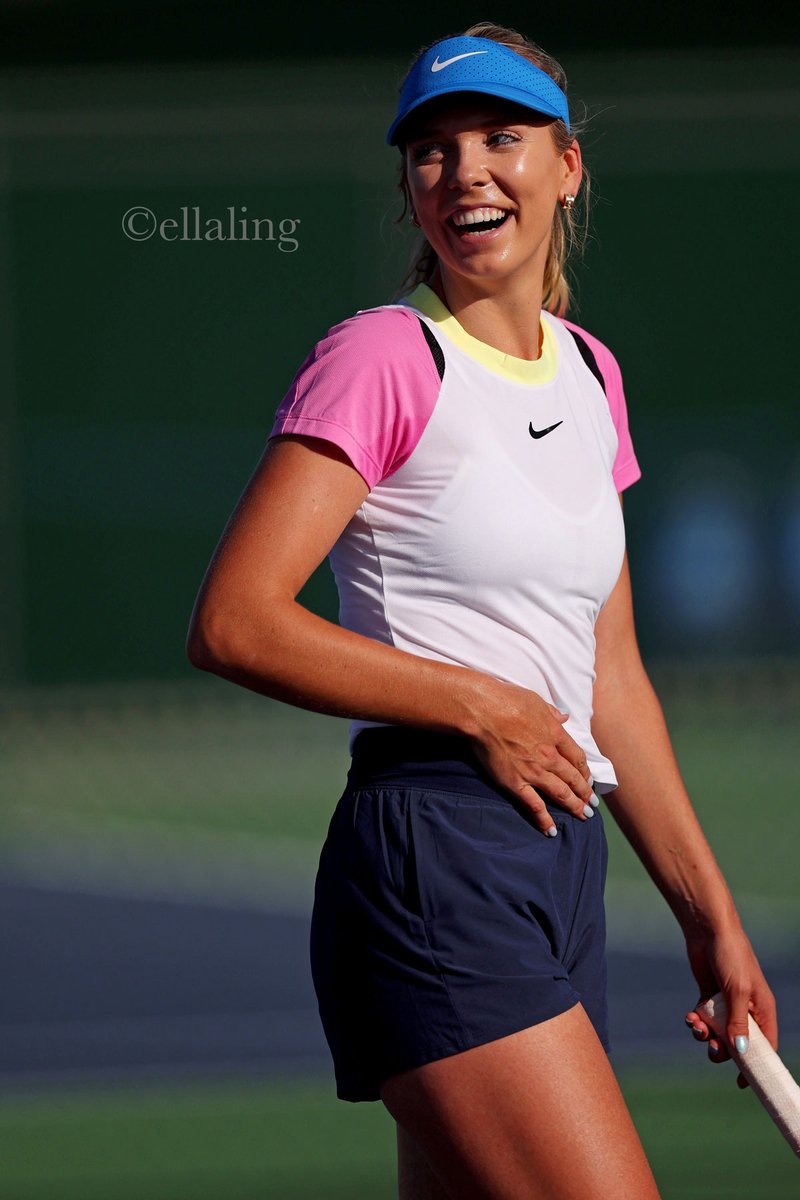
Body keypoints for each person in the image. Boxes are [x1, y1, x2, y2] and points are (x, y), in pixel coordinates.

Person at [187, 22, 778, 1199]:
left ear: (566, 167)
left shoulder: (591, 372)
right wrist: (481, 706)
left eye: (500, 138)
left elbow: (607, 673)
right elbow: (236, 621)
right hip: (432, 856)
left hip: (560, 871)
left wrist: (708, 913)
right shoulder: (382, 357)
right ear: (409, 193)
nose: (464, 173)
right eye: (432, 151)